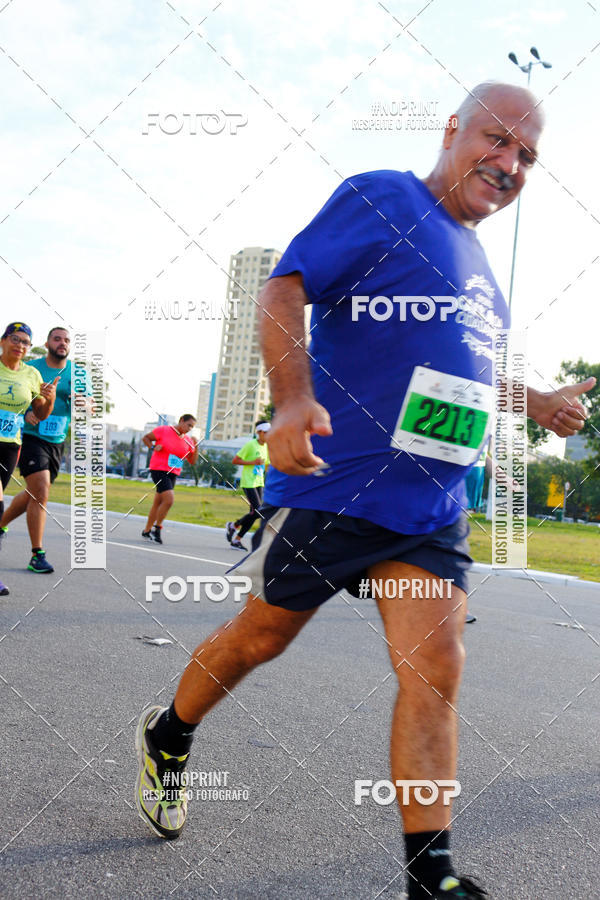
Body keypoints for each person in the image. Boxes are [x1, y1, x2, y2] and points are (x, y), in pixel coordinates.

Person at [134, 84, 594, 898]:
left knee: (437, 666)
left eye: (527, 156)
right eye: (497, 140)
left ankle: (432, 875)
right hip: (336, 488)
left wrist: (537, 401)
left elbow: (466, 372)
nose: (510, 163)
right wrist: (289, 397)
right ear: (453, 131)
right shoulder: (384, 198)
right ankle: (169, 735)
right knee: (259, 639)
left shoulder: (484, 269)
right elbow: (283, 288)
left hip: (430, 508)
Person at [0, 327, 72, 574]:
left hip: (47, 441)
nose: (62, 343)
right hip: (31, 439)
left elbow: (88, 406)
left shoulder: (74, 373)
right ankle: (37, 553)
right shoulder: (35, 366)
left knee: (36, 492)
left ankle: (1, 524)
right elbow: (31, 409)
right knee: (39, 489)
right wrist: (28, 413)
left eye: (66, 340)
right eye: (57, 338)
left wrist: (83, 403)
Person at [141, 415, 198, 544]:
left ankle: (146, 531)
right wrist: (152, 447)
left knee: (158, 502)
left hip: (173, 473)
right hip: (159, 469)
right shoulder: (164, 430)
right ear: (181, 421)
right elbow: (146, 438)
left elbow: (192, 461)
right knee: (169, 500)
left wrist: (196, 446)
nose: (190, 429)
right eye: (189, 425)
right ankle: (157, 529)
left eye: (192, 427)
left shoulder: (188, 440)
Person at [225, 420, 270, 550]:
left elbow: (266, 465)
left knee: (255, 513)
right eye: (267, 433)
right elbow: (235, 460)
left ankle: (236, 536)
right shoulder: (251, 445)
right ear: (260, 432)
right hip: (249, 482)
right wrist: (253, 462)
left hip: (259, 482)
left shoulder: (266, 447)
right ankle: (234, 527)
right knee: (257, 511)